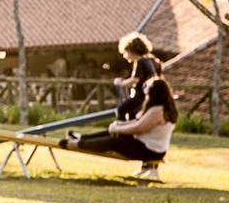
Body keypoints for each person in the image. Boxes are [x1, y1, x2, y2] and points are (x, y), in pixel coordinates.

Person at [61, 45, 178, 181]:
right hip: (147, 146)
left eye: (148, 88)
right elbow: (138, 124)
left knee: (113, 141)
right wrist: (120, 126)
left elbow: (138, 128)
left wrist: (119, 127)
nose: (145, 90)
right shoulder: (158, 107)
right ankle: (81, 139)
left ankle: (76, 144)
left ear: (155, 93)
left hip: (150, 150)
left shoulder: (157, 111)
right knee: (115, 134)